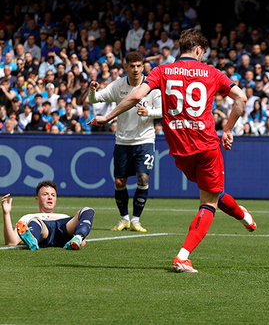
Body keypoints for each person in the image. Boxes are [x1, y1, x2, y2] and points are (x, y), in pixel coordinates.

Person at [89, 29, 255, 273]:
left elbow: (136, 96)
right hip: (206, 145)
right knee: (209, 201)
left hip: (179, 149)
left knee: (212, 192)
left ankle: (242, 215)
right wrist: (228, 129)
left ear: (181, 47)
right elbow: (240, 98)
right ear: (199, 50)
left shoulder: (162, 71)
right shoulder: (212, 72)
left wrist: (107, 117)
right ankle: (183, 256)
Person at [88, 52, 161, 233]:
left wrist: (149, 112)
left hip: (144, 139)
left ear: (143, 66)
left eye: (139, 66)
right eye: (132, 66)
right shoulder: (119, 85)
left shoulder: (152, 87)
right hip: (122, 141)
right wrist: (92, 90)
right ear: (126, 67)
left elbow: (162, 111)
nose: (136, 69)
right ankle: (124, 219)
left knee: (143, 178)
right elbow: (94, 100)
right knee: (120, 182)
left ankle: (136, 220)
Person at [2, 181, 95, 250]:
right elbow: (11, 242)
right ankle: (33, 240)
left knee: (88, 210)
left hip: (64, 228)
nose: (50, 197)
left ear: (56, 199)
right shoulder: (28, 217)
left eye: (53, 195)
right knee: (35, 221)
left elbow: (83, 243)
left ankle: (78, 237)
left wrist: (81, 238)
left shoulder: (64, 216)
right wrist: (6, 213)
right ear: (37, 199)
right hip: (43, 231)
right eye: (45, 194)